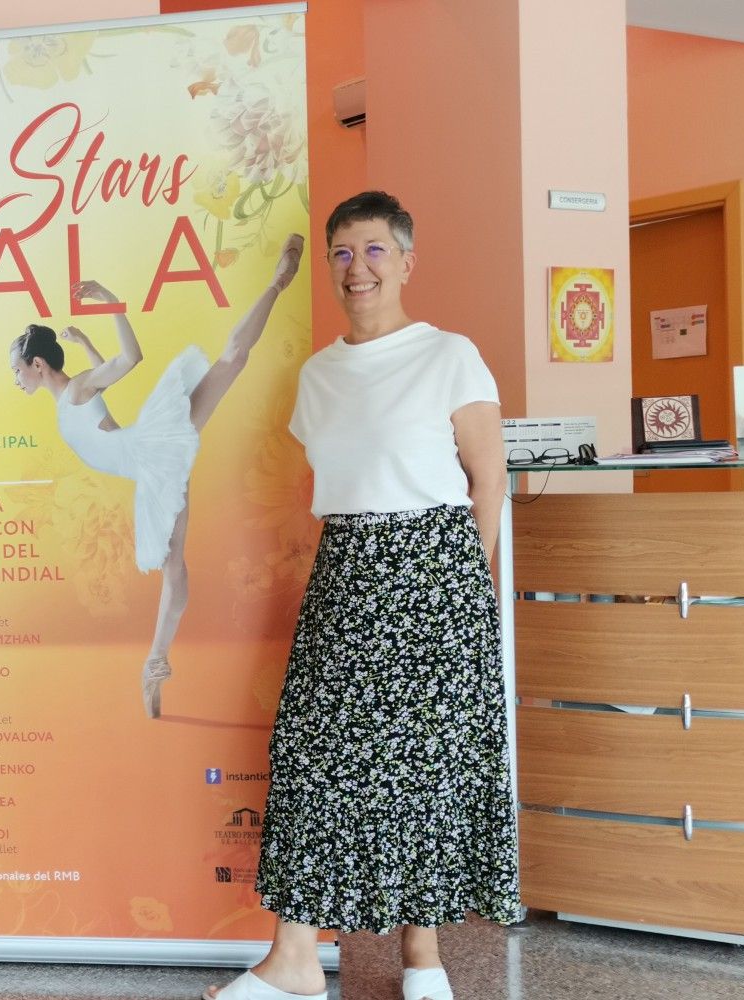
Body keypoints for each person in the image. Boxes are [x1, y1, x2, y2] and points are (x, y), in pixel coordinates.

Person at [204, 191, 519, 1000]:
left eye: (374, 250)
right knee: (312, 758)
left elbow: (487, 481)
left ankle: (423, 956)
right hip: (346, 568)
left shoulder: (449, 355)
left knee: (425, 769)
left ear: (406, 261)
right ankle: (294, 959)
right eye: (342, 253)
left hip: (436, 572)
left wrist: (466, 592)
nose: (357, 268)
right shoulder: (318, 375)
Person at [8, 236, 303, 719]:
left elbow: (130, 359)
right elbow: (102, 388)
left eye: (17, 370)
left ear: (37, 364)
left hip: (150, 452)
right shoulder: (74, 393)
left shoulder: (77, 389)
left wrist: (110, 301)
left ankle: (155, 660)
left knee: (232, 359)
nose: (16, 379)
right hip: (152, 462)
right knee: (231, 360)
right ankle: (155, 660)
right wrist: (86, 344)